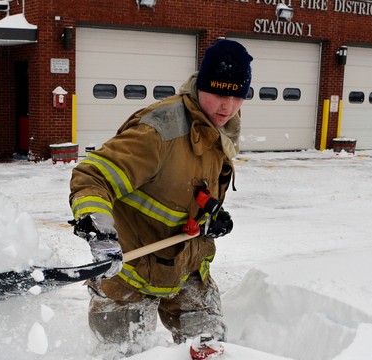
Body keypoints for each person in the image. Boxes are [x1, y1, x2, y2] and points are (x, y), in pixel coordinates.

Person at [69, 39, 252, 357]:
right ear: (200, 86)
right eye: (220, 93)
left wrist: (210, 215)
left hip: (186, 269)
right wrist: (97, 226)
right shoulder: (160, 132)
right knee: (123, 354)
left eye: (238, 95)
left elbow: (189, 187)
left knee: (211, 349)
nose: (228, 105)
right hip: (128, 272)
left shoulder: (220, 130)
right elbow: (93, 176)